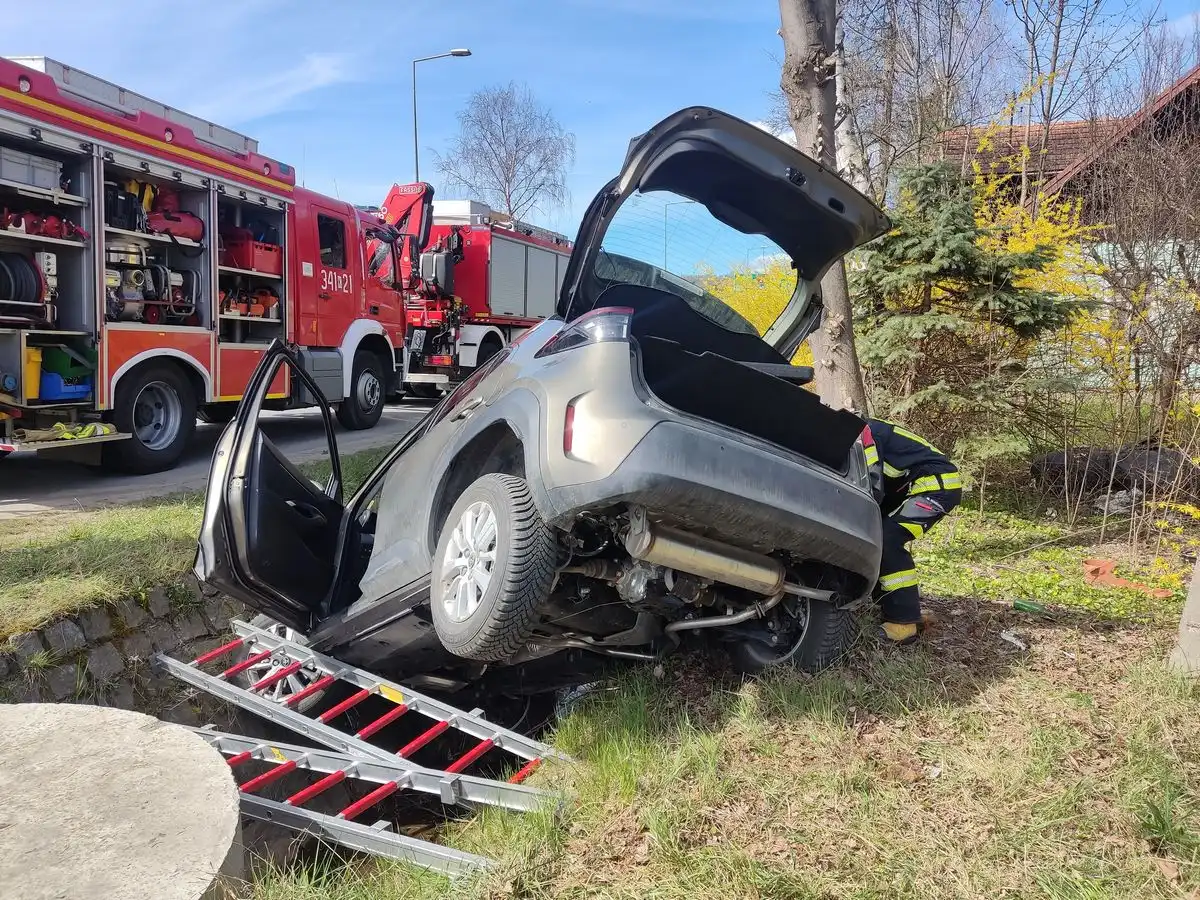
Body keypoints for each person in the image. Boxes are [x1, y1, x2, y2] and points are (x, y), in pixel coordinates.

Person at [862, 419, 963, 644]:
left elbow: (871, 483)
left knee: (888, 539)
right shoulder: (863, 430)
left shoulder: (862, 434)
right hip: (922, 485)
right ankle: (890, 604)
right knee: (878, 534)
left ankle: (903, 622)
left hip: (935, 487)